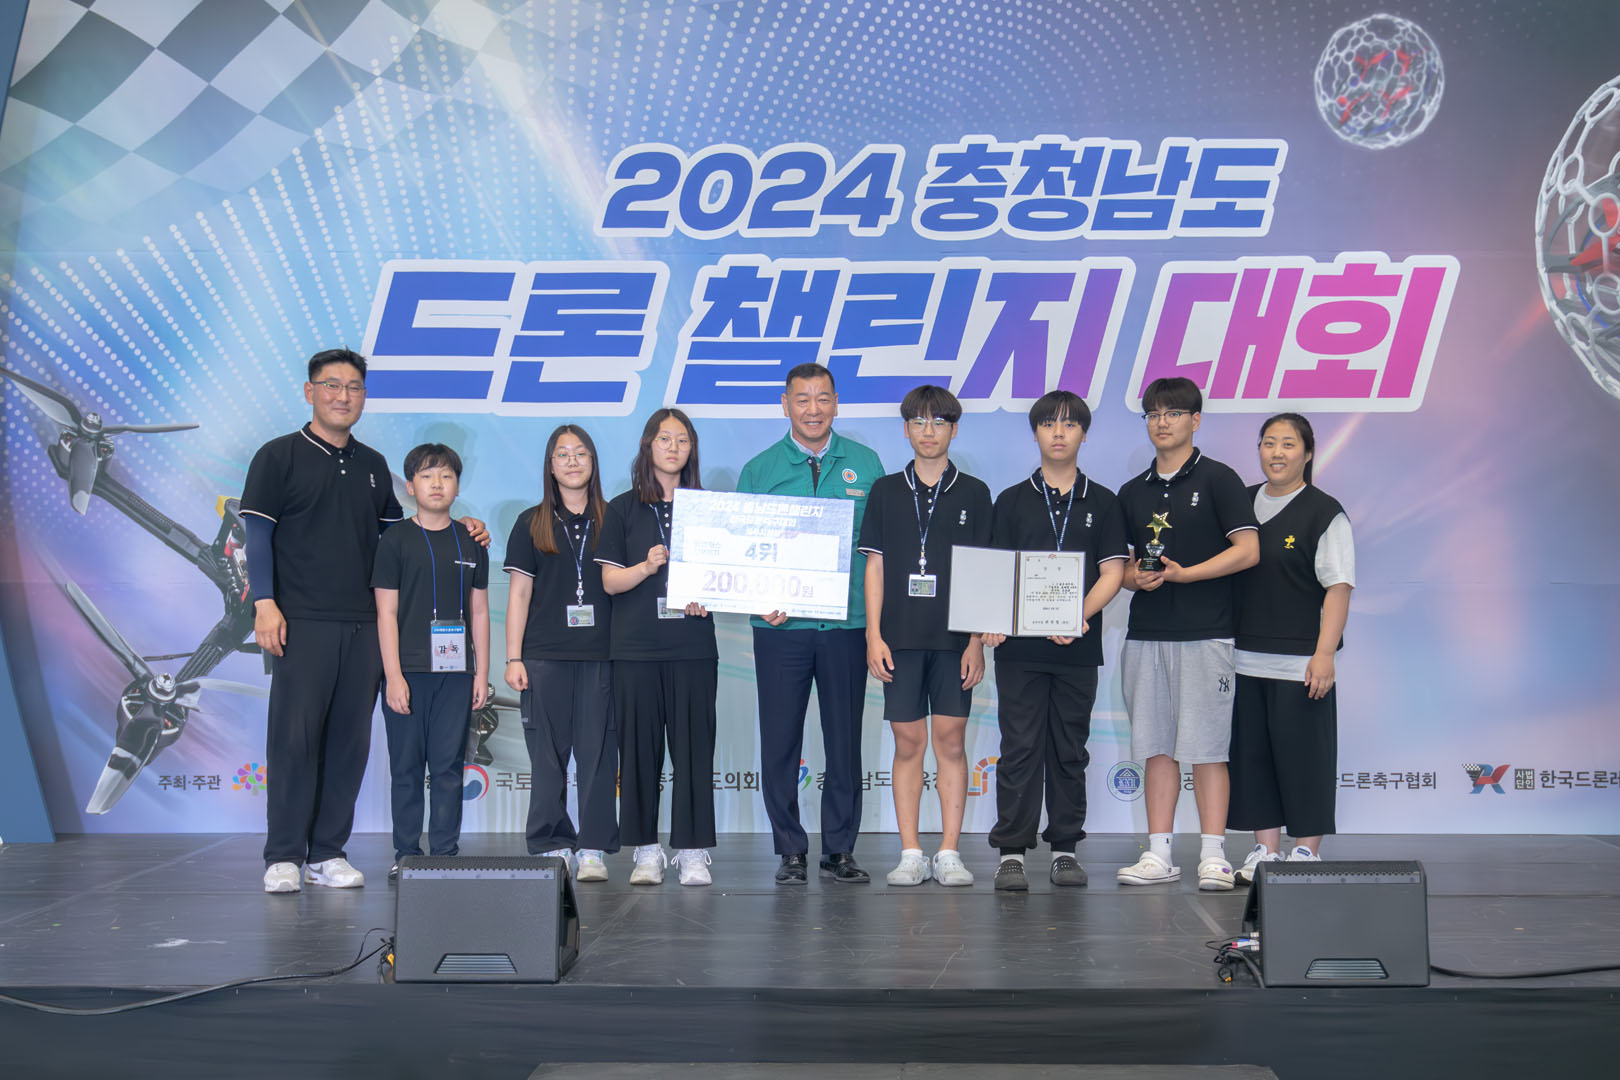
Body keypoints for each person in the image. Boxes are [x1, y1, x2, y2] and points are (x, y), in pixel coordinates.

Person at [241, 347, 487, 894]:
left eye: (353, 387)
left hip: (366, 627)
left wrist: (463, 528)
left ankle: (327, 852)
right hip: (300, 620)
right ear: (310, 391)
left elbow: (405, 539)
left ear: (364, 397)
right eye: (332, 385)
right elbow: (257, 535)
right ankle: (284, 854)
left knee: (349, 744)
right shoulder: (278, 457)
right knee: (294, 739)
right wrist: (264, 601)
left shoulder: (374, 466)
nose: (343, 396)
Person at [737, 363, 885, 885]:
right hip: (781, 629)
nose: (813, 409)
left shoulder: (866, 464)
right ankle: (790, 850)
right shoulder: (759, 470)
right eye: (802, 399)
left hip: (846, 627)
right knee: (780, 741)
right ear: (785, 405)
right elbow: (741, 550)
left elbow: (878, 552)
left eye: (823, 398)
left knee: (844, 741)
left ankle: (839, 849)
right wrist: (759, 598)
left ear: (836, 403)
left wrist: (877, 625)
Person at [1115, 376, 1258, 892]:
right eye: (1153, 414)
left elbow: (1248, 550)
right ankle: (1158, 853)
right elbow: (1120, 568)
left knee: (1208, 748)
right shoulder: (1132, 492)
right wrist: (1136, 579)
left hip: (1207, 633)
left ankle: (1213, 855)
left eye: (1173, 413)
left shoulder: (1220, 479)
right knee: (1156, 748)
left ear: (1195, 420)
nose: (1162, 422)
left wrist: (1186, 575)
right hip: (1146, 634)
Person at [981, 390, 1128, 892]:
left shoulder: (1104, 501)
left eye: (1069, 424)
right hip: (1019, 650)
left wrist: (1076, 615)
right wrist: (993, 619)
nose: (1058, 433)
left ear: (1084, 433)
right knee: (1019, 748)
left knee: (1069, 749)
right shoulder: (1011, 500)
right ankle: (1012, 852)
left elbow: (1113, 572)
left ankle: (1065, 849)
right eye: (1048, 424)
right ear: (1035, 433)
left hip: (1077, 646)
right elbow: (997, 571)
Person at [856, 385, 992, 887]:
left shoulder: (975, 493)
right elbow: (875, 566)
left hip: (955, 641)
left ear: (954, 429)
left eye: (938, 422)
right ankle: (911, 851)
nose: (928, 431)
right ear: (906, 429)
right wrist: (873, 635)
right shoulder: (886, 491)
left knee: (951, 742)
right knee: (908, 741)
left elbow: (983, 571)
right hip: (901, 639)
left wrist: (975, 640)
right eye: (918, 422)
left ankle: (950, 851)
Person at [595, 409, 718, 886]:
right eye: (664, 439)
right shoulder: (623, 509)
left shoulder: (708, 507)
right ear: (648, 446)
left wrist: (710, 597)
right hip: (636, 649)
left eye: (682, 440)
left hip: (692, 646)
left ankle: (692, 850)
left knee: (693, 752)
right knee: (638, 752)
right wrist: (646, 568)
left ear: (692, 449)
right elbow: (609, 582)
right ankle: (646, 850)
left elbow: (726, 578)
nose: (673, 448)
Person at [1230, 414, 1354, 884]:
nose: (1276, 453)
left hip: (1301, 663)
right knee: (1254, 759)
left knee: (1305, 760)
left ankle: (1305, 849)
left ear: (1307, 453)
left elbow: (1338, 588)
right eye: (1268, 443)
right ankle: (1265, 850)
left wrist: (1325, 654)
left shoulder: (1324, 512)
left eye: (1287, 444)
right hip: (1243, 658)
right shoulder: (1241, 503)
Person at [503, 425, 618, 883]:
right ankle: (551, 843)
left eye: (581, 453)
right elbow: (519, 594)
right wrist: (513, 658)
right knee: (547, 759)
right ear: (550, 466)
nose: (572, 461)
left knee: (598, 756)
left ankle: (592, 848)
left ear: (593, 462)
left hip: (602, 656)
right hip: (543, 658)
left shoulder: (614, 518)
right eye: (562, 454)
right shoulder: (531, 522)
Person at [373, 444, 490, 879]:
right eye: (426, 476)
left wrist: (481, 672)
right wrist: (393, 676)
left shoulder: (472, 540)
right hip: (407, 673)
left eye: (445, 476)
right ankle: (406, 854)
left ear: (457, 485)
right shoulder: (395, 540)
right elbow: (386, 613)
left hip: (457, 674)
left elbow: (479, 611)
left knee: (448, 768)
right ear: (410, 487)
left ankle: (444, 855)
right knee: (406, 769)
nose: (436, 484)